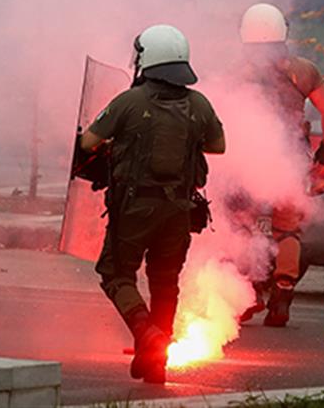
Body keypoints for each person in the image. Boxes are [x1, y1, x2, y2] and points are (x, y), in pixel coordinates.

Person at [79, 25, 225, 384]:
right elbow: (217, 146)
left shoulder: (130, 102)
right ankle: (155, 363)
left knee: (115, 274)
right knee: (165, 281)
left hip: (134, 209)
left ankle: (147, 335)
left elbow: (88, 143)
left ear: (147, 60)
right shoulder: (199, 103)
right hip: (178, 211)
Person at [237, 2, 324, 327]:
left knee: (243, 225)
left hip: (249, 159)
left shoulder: (238, 72)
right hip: (291, 159)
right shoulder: (303, 70)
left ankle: (249, 291)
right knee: (286, 229)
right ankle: (282, 295)